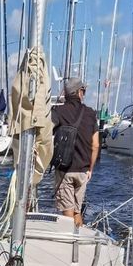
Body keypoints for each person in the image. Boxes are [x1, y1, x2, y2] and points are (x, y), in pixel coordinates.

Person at [51, 77, 99, 226]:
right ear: (79, 92)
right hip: (83, 171)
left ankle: (70, 244)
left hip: (65, 170)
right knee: (77, 211)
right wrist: (90, 169)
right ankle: (78, 243)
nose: (84, 93)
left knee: (67, 212)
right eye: (83, 91)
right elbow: (96, 145)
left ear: (66, 94)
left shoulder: (58, 112)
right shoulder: (90, 113)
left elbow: (45, 134)